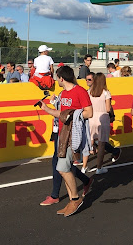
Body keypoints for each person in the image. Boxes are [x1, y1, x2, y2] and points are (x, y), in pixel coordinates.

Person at [38, 66, 93, 217]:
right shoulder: (63, 94)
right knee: (65, 169)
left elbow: (89, 112)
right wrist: (47, 110)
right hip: (62, 134)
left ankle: (75, 199)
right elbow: (61, 114)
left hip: (72, 134)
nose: (56, 80)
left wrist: (73, 115)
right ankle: (71, 201)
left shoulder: (79, 91)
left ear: (61, 78)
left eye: (57, 77)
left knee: (62, 168)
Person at [87, 73, 113, 174]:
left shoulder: (89, 91)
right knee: (102, 144)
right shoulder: (106, 92)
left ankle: (84, 164)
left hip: (91, 118)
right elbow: (108, 108)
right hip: (103, 118)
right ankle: (99, 167)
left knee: (91, 141)